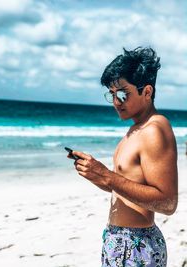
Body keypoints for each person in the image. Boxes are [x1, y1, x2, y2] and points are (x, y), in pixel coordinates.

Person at [68, 47, 178, 266]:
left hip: (137, 244)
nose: (116, 101)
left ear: (147, 92)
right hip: (118, 240)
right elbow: (128, 187)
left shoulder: (155, 129)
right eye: (112, 94)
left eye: (122, 94)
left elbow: (167, 202)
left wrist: (108, 176)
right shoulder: (134, 130)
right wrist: (96, 176)